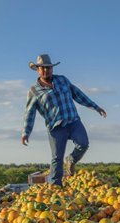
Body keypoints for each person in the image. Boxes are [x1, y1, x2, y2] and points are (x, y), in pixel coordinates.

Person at [21, 54, 106, 186]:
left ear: (52, 69)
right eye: (42, 68)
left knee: (83, 144)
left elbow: (78, 94)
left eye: (48, 68)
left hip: (73, 120)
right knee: (57, 158)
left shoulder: (62, 80)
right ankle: (56, 186)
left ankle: (71, 160)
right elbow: (29, 112)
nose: (45, 71)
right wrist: (26, 132)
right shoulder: (34, 90)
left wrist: (95, 107)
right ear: (37, 70)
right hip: (55, 127)